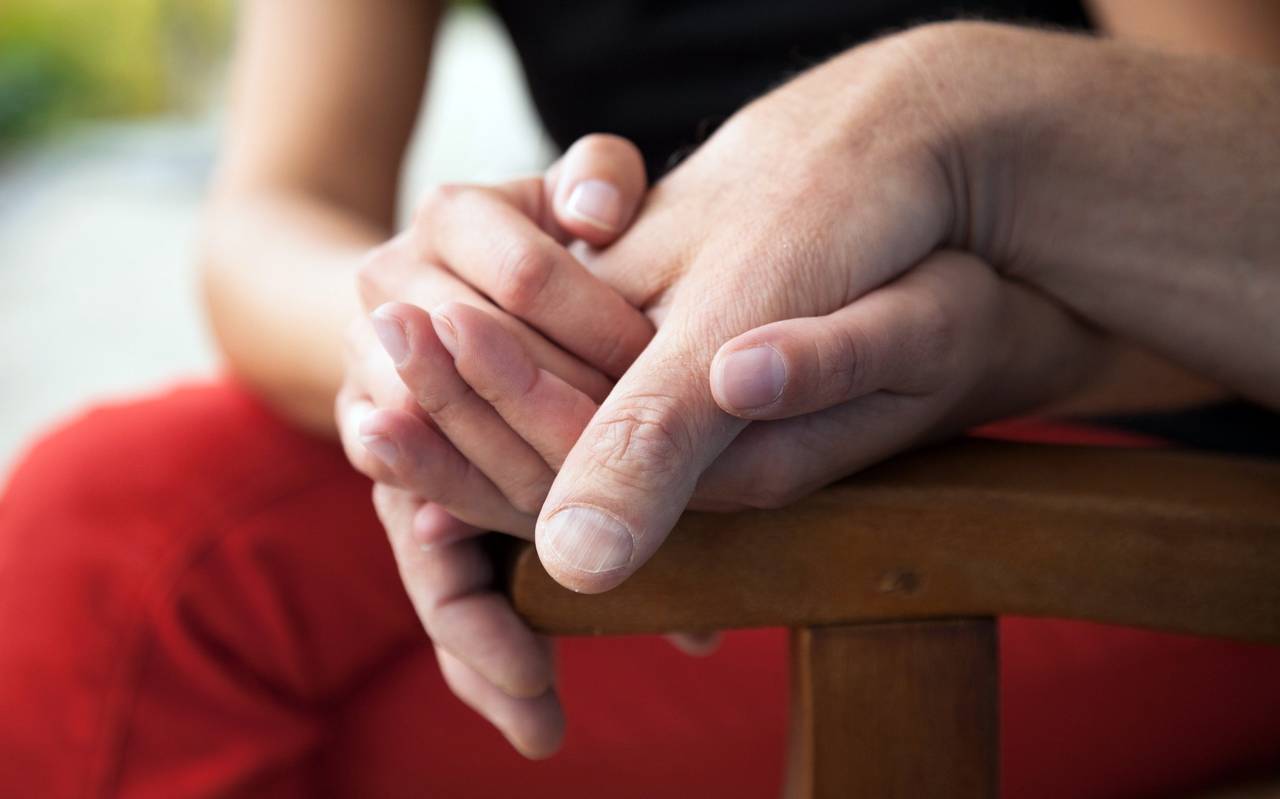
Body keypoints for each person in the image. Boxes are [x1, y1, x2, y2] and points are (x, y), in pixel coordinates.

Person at [2, 3, 1279, 798]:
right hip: (655, 403)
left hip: (1128, 440)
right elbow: (270, 216)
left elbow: (1233, 217)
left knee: (144, 680)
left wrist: (966, 187)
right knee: (122, 538)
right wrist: (444, 329)